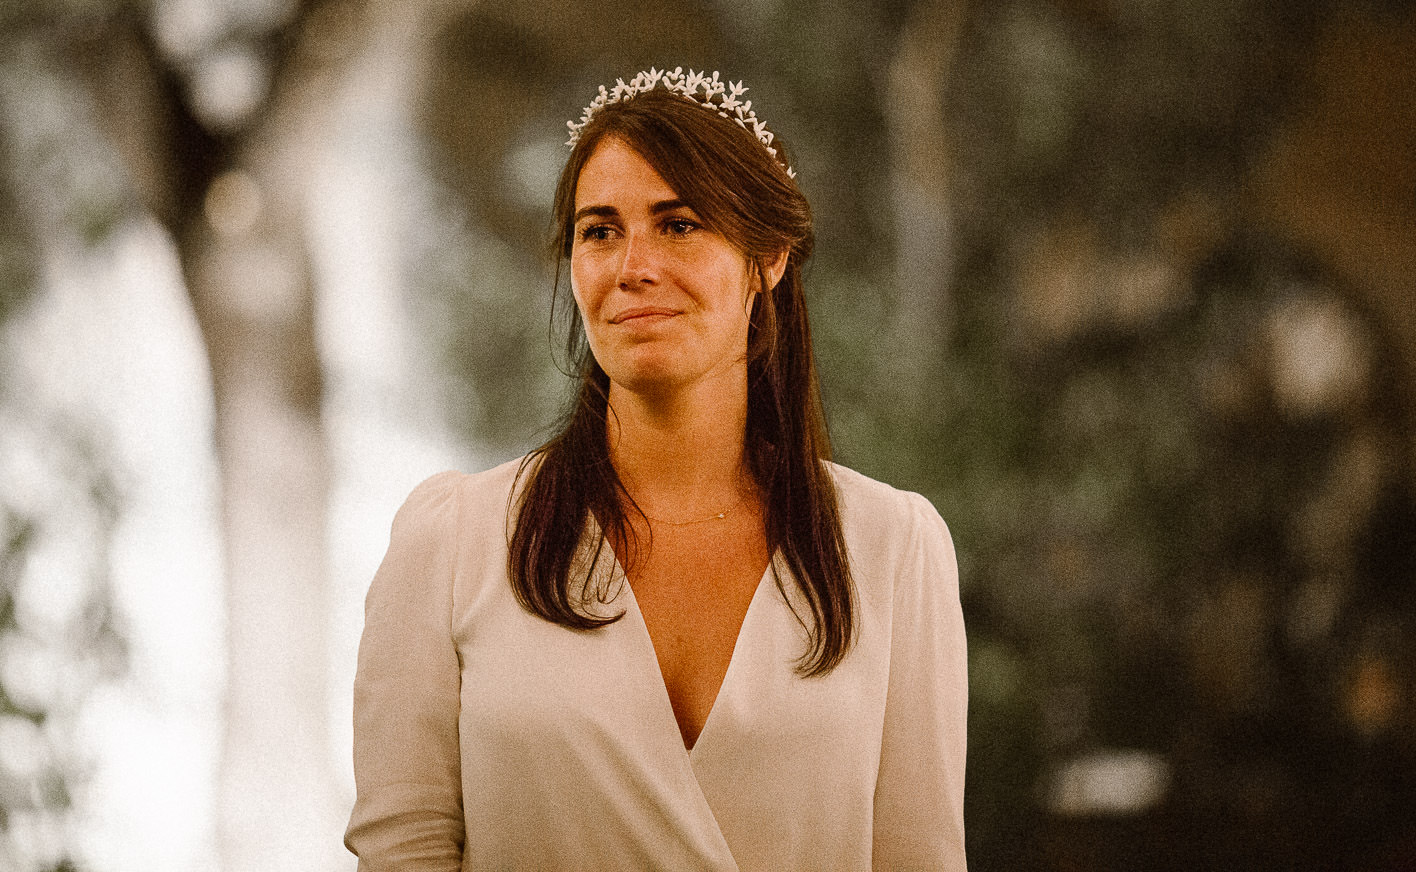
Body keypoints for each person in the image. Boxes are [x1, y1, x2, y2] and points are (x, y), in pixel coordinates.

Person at [345, 67, 967, 870]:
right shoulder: (454, 542)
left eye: (678, 225)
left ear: (769, 257)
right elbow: (403, 850)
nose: (633, 265)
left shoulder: (891, 548)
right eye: (600, 231)